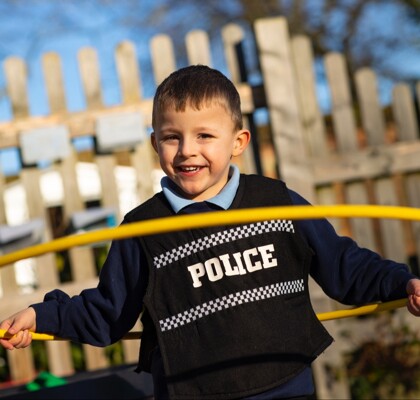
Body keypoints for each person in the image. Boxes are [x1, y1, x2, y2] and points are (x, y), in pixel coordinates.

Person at [1, 65, 419, 400]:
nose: (187, 150)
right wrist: (44, 315)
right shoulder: (144, 230)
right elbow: (108, 311)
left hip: (285, 386)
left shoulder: (275, 200)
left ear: (238, 141)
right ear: (154, 144)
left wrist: (403, 283)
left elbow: (344, 265)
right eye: (171, 137)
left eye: (204, 135)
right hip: (190, 390)